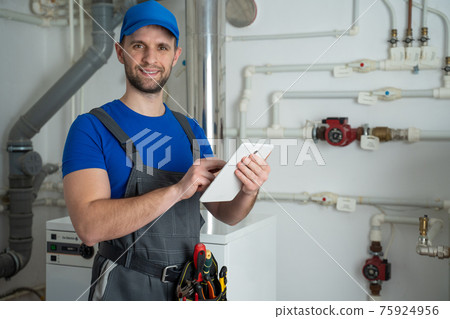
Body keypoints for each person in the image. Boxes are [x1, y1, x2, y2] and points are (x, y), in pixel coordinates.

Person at [62, 0, 270, 301]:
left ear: (175, 57)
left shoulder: (190, 130)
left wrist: (249, 190)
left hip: (190, 287)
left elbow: (226, 212)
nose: (150, 58)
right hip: (125, 286)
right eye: (138, 46)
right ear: (120, 53)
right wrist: (177, 190)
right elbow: (89, 227)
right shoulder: (91, 128)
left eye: (162, 47)